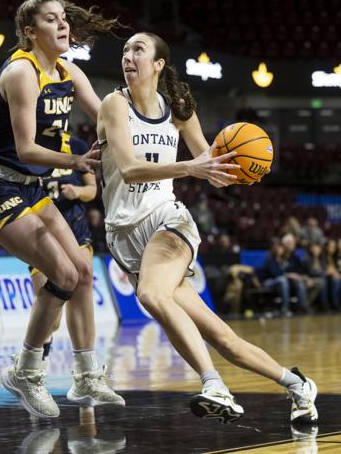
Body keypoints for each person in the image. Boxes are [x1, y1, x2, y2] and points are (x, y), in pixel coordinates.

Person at [96, 31, 318, 424]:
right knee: (223, 338)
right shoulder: (114, 105)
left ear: (159, 64)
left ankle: (213, 385)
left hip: (168, 219)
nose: (128, 56)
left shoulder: (177, 108)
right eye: (126, 50)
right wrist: (192, 168)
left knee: (149, 294)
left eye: (138, 50)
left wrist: (239, 168)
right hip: (124, 235)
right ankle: (298, 384)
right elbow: (129, 170)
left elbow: (209, 167)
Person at [0, 0, 125, 419]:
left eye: (64, 18)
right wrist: (77, 159)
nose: (63, 25)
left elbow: (107, 117)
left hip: (30, 188)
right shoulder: (21, 72)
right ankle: (27, 371)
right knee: (61, 273)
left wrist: (147, 123)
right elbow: (25, 150)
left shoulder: (70, 72)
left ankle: (87, 374)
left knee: (83, 275)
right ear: (28, 31)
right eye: (52, 19)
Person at [29, 133, 97, 364]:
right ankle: (40, 348)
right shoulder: (31, 146)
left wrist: (78, 192)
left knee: (82, 281)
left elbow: (92, 189)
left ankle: (87, 366)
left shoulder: (77, 144)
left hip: (75, 231)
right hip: (42, 234)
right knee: (51, 313)